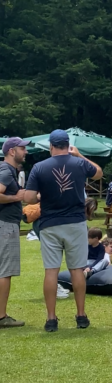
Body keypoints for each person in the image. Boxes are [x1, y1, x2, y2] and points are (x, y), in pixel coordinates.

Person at [24, 129, 103, 332]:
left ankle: (51, 319)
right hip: (75, 223)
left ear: (51, 146)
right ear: (68, 145)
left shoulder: (39, 167)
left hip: (50, 223)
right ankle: (81, 315)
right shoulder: (78, 163)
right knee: (77, 269)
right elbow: (99, 172)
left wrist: (41, 197)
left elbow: (29, 198)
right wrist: (79, 155)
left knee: (51, 271)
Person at [0, 136, 30, 328]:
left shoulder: (8, 170)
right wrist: (16, 197)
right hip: (6, 225)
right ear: (12, 151)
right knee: (5, 271)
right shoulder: (6, 170)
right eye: (22, 148)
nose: (25, 152)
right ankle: (1, 317)